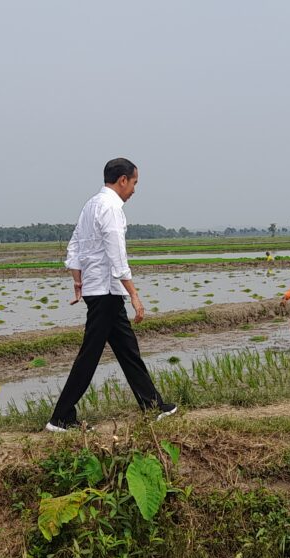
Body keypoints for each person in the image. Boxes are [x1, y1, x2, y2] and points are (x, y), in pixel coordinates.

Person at [46, 158, 176, 432]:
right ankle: (60, 417)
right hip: (106, 291)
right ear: (122, 180)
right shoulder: (112, 208)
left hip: (100, 290)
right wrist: (135, 295)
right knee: (89, 355)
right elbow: (118, 255)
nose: (135, 189)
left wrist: (78, 282)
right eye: (134, 183)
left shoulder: (91, 205)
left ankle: (152, 405)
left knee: (128, 351)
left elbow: (74, 247)